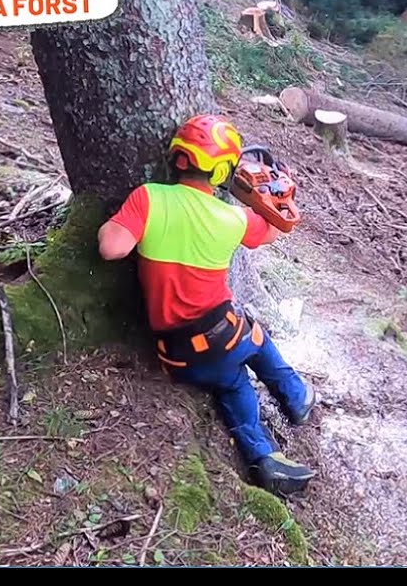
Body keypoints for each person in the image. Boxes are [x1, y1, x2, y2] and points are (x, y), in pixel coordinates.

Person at [96, 114, 317, 496]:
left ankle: (264, 457)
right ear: (221, 171)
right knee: (256, 339)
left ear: (179, 157)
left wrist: (105, 225)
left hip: (175, 356)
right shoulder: (232, 218)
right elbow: (274, 228)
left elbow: (111, 247)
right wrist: (275, 192)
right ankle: (295, 398)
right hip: (221, 337)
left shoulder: (149, 197)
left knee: (232, 383)